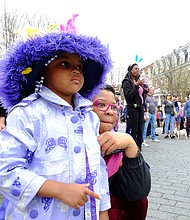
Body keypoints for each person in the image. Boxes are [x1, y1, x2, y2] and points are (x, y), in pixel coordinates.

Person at [0, 31, 113, 219]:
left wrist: (102, 212)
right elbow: (6, 169)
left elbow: (98, 169)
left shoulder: (90, 118)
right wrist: (59, 190)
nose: (76, 70)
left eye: (79, 66)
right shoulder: (27, 113)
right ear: (43, 71)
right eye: (64, 63)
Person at [92, 84, 151, 220]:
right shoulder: (73, 146)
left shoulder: (119, 145)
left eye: (113, 107)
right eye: (101, 105)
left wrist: (131, 145)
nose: (110, 112)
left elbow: (139, 192)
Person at [122, 64, 148, 151]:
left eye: (138, 69)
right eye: (135, 68)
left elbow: (139, 94)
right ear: (130, 70)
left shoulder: (137, 81)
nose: (137, 70)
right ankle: (132, 149)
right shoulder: (127, 81)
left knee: (140, 129)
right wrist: (136, 86)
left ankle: (139, 148)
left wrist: (144, 90)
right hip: (132, 107)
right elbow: (128, 96)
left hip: (140, 107)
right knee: (134, 129)